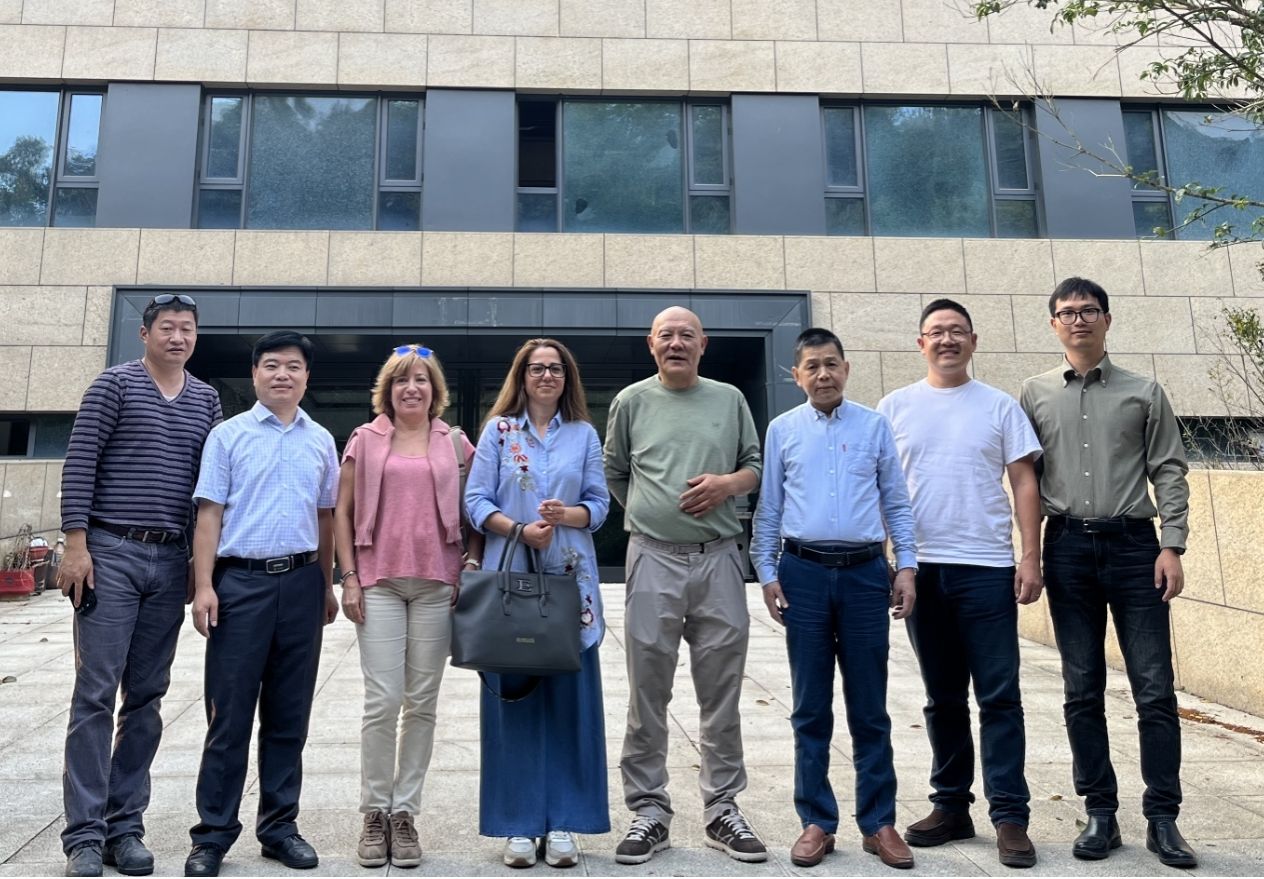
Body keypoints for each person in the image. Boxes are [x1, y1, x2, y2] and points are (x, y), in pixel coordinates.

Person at [1020, 277, 1195, 869]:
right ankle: (1100, 812)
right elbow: (1023, 479)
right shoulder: (1034, 394)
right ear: (1053, 324)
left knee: (1154, 688)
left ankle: (1163, 817)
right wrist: (1030, 554)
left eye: (1089, 310)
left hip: (1135, 548)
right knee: (1081, 688)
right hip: (1067, 545)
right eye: (1067, 312)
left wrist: (1172, 545)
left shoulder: (1144, 391)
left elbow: (1169, 469)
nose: (1079, 320)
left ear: (1107, 319)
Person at [58, 294, 221, 878]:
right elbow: (80, 462)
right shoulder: (114, 385)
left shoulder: (206, 399)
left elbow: (209, 483)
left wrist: (200, 566)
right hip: (110, 553)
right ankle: (83, 835)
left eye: (187, 329)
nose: (178, 337)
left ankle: (124, 827)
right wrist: (75, 545)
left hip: (169, 560)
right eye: (167, 327)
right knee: (95, 693)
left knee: (147, 696)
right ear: (145, 334)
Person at [877, 300, 1044, 869]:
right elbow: (879, 487)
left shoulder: (999, 406)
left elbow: (1024, 482)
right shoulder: (894, 407)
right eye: (936, 332)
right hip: (921, 570)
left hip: (987, 568)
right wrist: (888, 560)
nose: (946, 340)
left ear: (974, 340)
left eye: (956, 331)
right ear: (920, 343)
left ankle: (1010, 817)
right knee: (942, 696)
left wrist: (1030, 557)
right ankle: (951, 806)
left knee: (1000, 697)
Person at [751, 327, 918, 871]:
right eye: (812, 367)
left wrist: (907, 567)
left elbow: (896, 503)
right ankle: (817, 821)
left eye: (832, 364)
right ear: (796, 375)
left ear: (846, 369)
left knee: (870, 706)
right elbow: (770, 506)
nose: (823, 375)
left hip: (866, 575)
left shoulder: (874, 426)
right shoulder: (782, 430)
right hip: (802, 574)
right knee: (810, 706)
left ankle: (879, 821)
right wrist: (767, 572)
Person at [603, 306, 764, 865]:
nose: (676, 343)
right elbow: (615, 470)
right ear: (651, 344)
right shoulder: (631, 401)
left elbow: (754, 467)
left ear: (703, 344)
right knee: (648, 690)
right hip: (652, 560)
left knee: (722, 691)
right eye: (666, 335)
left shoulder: (729, 399)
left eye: (686, 335)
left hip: (719, 559)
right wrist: (649, 512)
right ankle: (649, 810)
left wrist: (727, 486)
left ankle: (722, 808)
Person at [184, 331, 340, 878]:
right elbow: (209, 515)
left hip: (301, 584)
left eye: (293, 366)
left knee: (289, 716)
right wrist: (204, 586)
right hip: (240, 586)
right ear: (255, 374)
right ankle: (212, 835)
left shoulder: (321, 440)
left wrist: (326, 584)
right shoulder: (227, 436)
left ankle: (279, 828)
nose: (282, 375)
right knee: (228, 716)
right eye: (271, 365)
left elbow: (325, 517)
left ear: (306, 377)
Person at [464, 338, 611, 869]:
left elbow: (599, 505)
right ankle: (518, 825)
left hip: (572, 588)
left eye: (555, 368)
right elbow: (475, 501)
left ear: (567, 377)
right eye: (536, 368)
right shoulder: (499, 431)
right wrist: (519, 528)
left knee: (572, 707)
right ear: (521, 376)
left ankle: (566, 821)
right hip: (512, 588)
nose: (546, 376)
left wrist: (567, 516)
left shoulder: (584, 434)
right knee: (515, 707)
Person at [334, 344, 482, 869]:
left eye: (421, 379)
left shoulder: (456, 443)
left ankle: (405, 814)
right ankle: (374, 811)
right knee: (383, 700)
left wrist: (470, 563)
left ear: (434, 389)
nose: (412, 388)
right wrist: (349, 578)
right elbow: (343, 513)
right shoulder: (364, 439)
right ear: (388, 389)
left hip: (438, 585)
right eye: (401, 380)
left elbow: (475, 512)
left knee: (421, 703)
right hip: (379, 582)